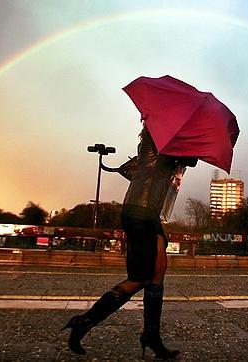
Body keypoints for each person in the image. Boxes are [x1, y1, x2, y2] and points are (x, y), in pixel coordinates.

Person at [62, 124, 196, 359]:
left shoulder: (158, 138)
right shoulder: (163, 138)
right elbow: (191, 158)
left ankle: (151, 336)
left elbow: (186, 159)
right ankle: (83, 322)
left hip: (147, 211)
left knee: (158, 269)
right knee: (141, 277)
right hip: (141, 210)